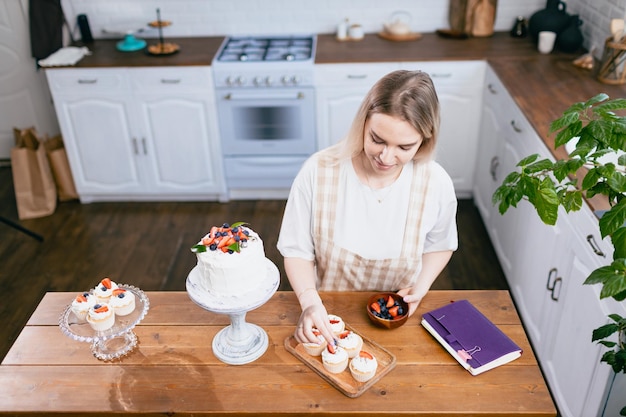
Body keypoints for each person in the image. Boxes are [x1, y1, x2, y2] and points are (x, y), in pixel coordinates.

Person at [277, 70, 458, 345]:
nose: (386, 157)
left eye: (404, 147)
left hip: (398, 324)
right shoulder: (318, 171)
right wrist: (309, 302)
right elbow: (296, 249)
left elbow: (440, 244)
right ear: (363, 123)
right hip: (327, 318)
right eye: (377, 140)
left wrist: (420, 289)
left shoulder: (436, 182)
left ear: (425, 138)